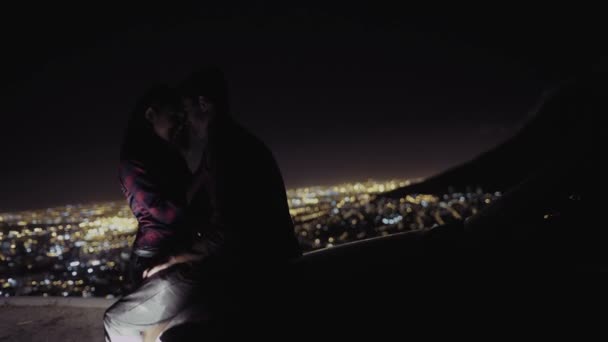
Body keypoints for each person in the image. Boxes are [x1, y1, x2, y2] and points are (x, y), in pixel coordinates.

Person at [103, 85, 208, 342]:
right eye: (174, 115)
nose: (179, 122)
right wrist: (204, 175)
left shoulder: (169, 157)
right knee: (148, 331)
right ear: (150, 115)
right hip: (155, 257)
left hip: (177, 251)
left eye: (182, 117)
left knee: (169, 330)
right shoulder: (133, 162)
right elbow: (167, 214)